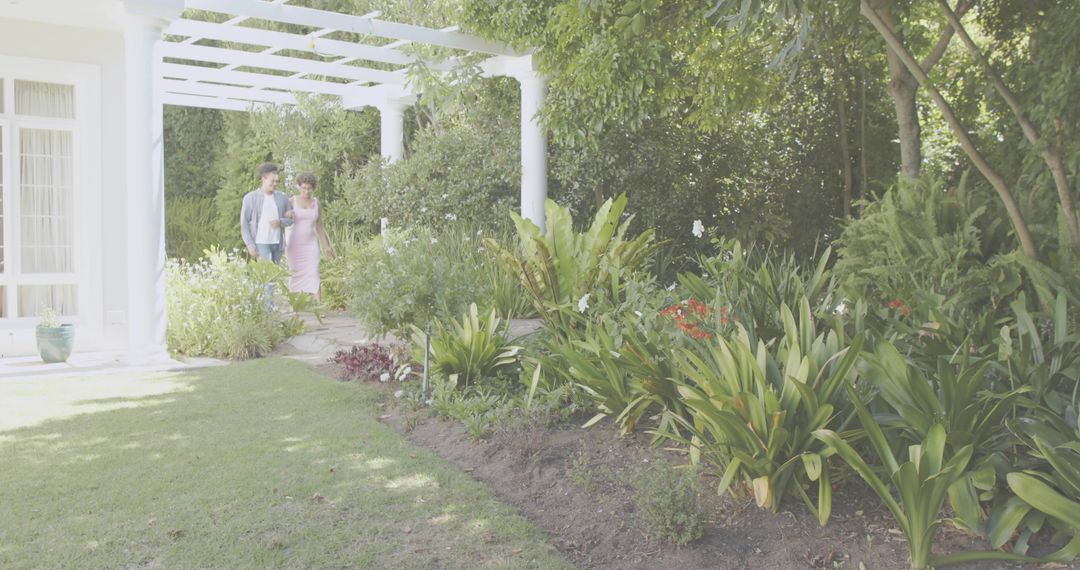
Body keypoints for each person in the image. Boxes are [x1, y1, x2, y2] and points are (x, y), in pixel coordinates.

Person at [285, 172, 336, 301]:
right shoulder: (292, 201)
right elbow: (282, 219)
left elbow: (319, 227)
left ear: (313, 188)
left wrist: (326, 247)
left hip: (311, 243)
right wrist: (287, 214)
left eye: (309, 188)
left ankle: (318, 305)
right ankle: (294, 306)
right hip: (295, 243)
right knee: (294, 273)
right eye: (304, 188)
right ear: (299, 187)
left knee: (314, 272)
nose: (306, 191)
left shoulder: (316, 203)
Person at [240, 162, 293, 264]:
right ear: (263, 179)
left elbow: (291, 219)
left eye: (277, 181)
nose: (275, 184)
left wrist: (280, 222)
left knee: (276, 272)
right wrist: (250, 245)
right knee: (267, 271)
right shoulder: (250, 198)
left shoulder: (283, 198)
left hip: (278, 243)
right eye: (272, 181)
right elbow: (244, 223)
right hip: (261, 243)